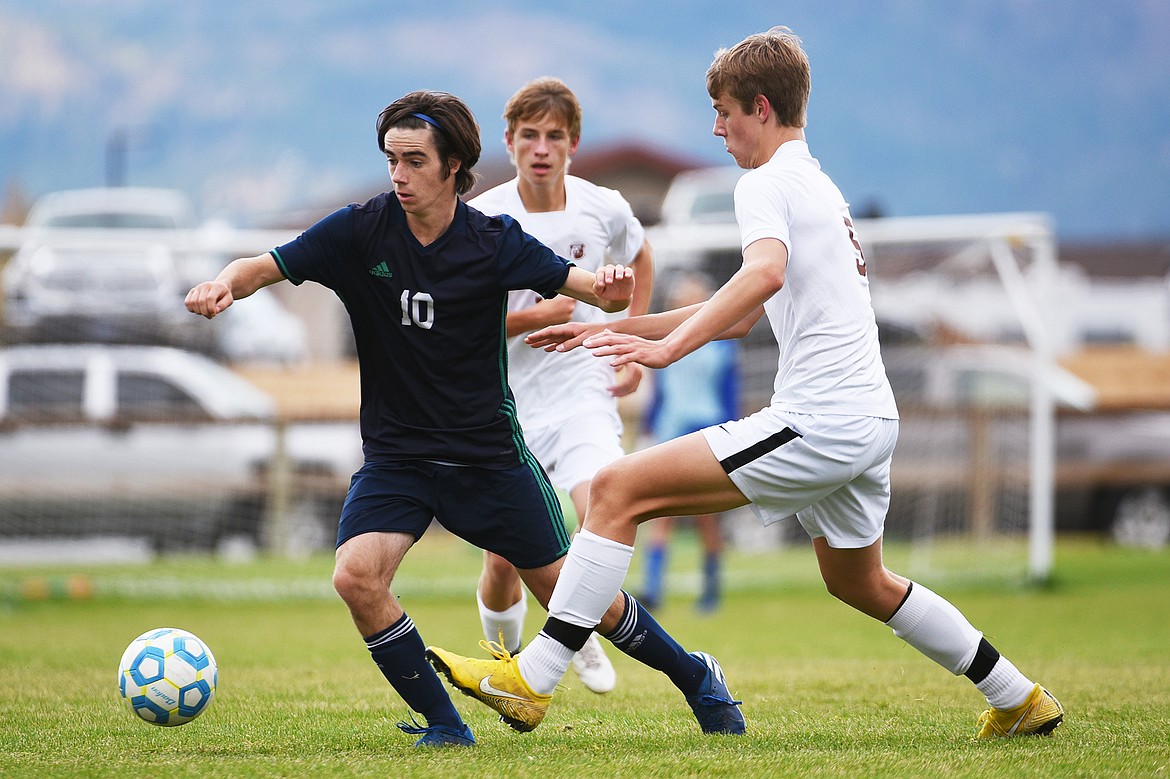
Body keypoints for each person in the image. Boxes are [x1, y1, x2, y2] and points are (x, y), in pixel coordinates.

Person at [427, 27, 1064, 740]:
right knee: (861, 582)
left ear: (759, 108)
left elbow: (757, 276)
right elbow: (743, 314)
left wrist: (665, 349)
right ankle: (1018, 695)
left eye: (724, 111)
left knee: (614, 491)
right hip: (868, 420)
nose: (716, 127)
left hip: (820, 419)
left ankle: (533, 679)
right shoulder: (813, 181)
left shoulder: (762, 181)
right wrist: (623, 331)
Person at [185, 90, 738, 747]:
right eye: (391, 159)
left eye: (414, 160)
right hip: (398, 458)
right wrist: (225, 281)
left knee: (582, 596)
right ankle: (446, 724)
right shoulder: (360, 230)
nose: (398, 174)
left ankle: (694, 673)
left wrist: (611, 287)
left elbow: (582, 284)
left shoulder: (493, 242)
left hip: (489, 459)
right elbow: (266, 265)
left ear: (454, 166)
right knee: (356, 577)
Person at [466, 76, 655, 695]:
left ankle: (576, 635)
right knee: (503, 561)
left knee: (600, 503)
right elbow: (457, 316)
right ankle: (508, 664)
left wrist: (634, 343)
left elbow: (641, 258)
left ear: (573, 143)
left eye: (554, 136)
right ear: (510, 141)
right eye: (529, 135)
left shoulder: (603, 208)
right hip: (505, 405)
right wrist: (531, 318)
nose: (541, 147)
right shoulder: (484, 217)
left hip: (581, 391)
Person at [637, 271, 737, 613]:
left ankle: (710, 590)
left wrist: (731, 432)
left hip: (708, 431)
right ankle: (652, 589)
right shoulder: (668, 338)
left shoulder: (723, 342)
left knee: (706, 516)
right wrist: (649, 429)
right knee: (658, 511)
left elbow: (728, 393)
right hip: (670, 430)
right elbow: (660, 393)